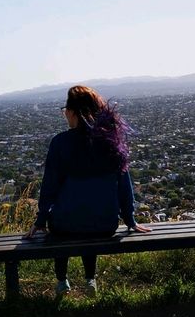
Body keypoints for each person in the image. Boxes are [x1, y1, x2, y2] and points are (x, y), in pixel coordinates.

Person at [24, 85, 150, 296]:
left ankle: (62, 281)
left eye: (66, 108)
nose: (64, 112)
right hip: (104, 225)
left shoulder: (60, 143)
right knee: (91, 213)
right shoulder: (110, 142)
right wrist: (130, 220)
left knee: (63, 220)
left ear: (73, 112)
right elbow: (124, 184)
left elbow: (49, 187)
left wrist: (40, 221)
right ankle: (90, 279)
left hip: (65, 226)